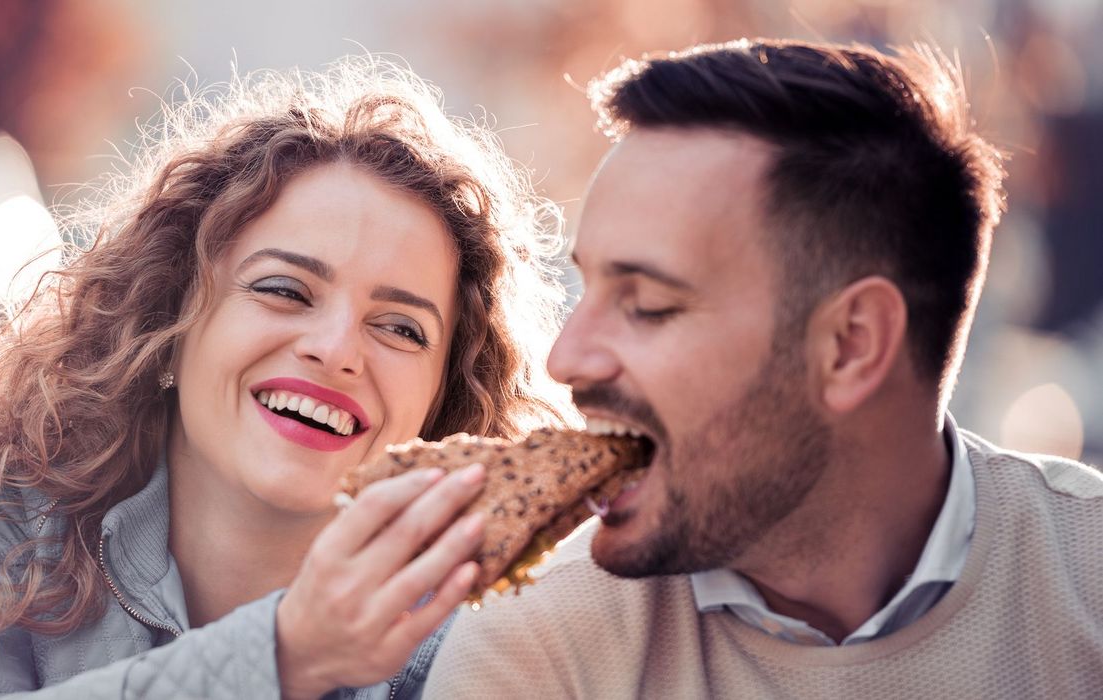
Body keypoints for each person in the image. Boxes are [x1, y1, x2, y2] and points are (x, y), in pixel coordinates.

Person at [0, 56, 577, 699]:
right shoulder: (1, 519)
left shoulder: (493, 626)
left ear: (440, 399)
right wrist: (284, 654)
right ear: (170, 316)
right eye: (284, 289)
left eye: (400, 328)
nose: (336, 351)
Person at [425, 39, 1103, 698]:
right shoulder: (540, 649)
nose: (565, 358)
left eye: (649, 305)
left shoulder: (1086, 580)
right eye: (589, 288)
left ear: (850, 345)